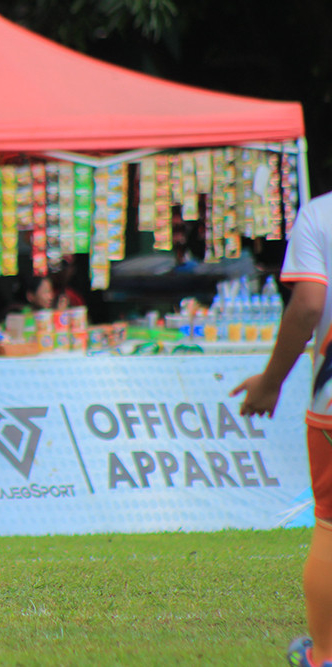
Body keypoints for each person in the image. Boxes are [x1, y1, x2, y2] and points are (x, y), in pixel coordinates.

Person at [231, 191, 332, 667]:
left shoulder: (320, 214)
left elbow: (308, 305)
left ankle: (325, 655)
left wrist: (271, 382)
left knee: (330, 527)